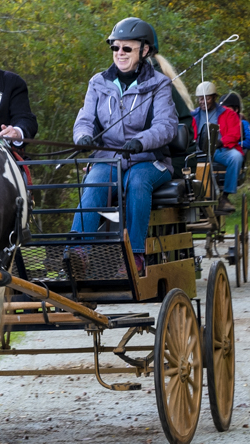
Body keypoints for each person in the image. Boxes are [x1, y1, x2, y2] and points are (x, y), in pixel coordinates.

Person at [69, 17, 179, 274]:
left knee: (137, 181)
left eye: (126, 48)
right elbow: (84, 119)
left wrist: (140, 141)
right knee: (96, 180)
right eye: (115, 47)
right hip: (109, 157)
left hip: (149, 159)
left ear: (145, 50)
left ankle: (135, 256)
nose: (119, 53)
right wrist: (83, 137)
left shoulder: (159, 84)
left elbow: (166, 126)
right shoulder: (98, 82)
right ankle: (76, 255)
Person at [187, 81, 244, 201]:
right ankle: (191, 195)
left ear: (214, 98)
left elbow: (235, 134)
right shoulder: (193, 115)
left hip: (220, 150)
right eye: (200, 99)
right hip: (198, 151)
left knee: (236, 157)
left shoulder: (228, 114)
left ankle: (225, 197)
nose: (203, 102)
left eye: (207, 99)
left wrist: (220, 142)